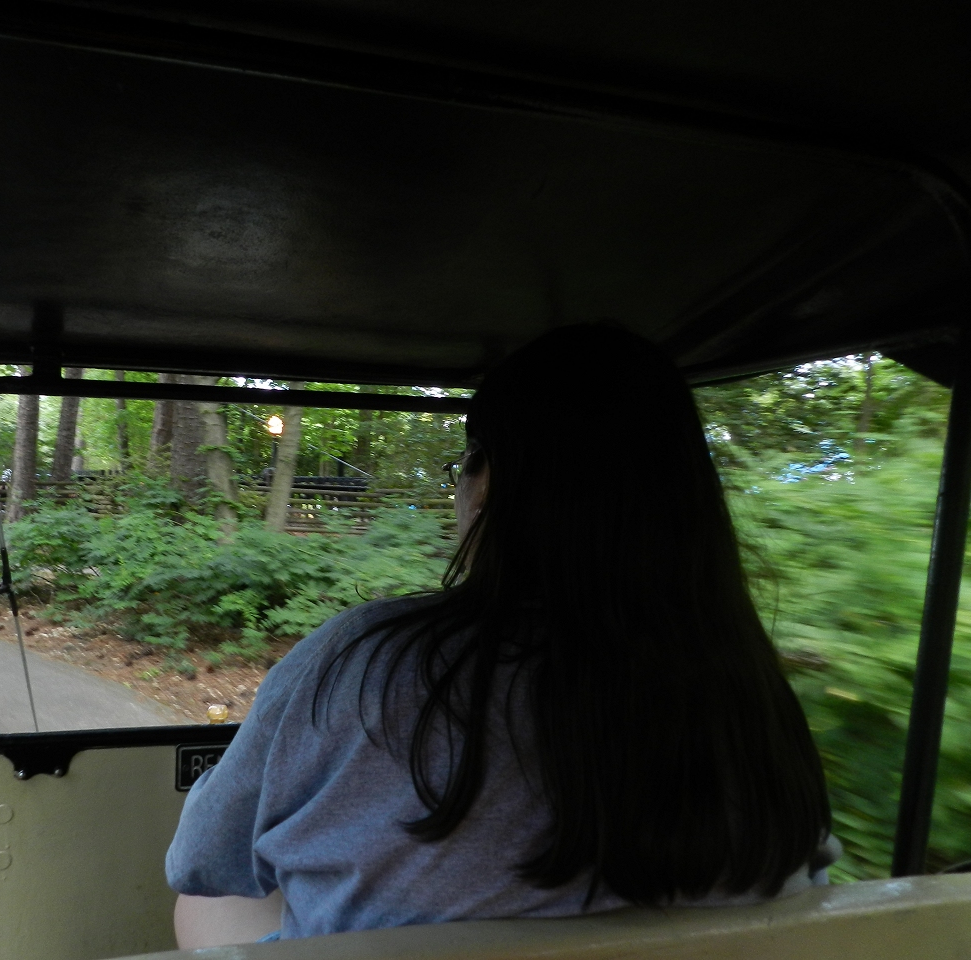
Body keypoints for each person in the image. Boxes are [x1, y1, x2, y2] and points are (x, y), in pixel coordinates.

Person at [165, 323, 835, 945]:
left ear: (486, 484)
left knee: (208, 904)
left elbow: (201, 861)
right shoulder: (752, 700)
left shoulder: (365, 663)